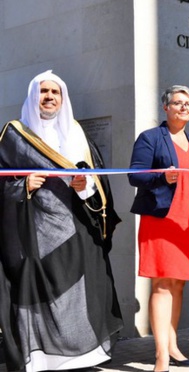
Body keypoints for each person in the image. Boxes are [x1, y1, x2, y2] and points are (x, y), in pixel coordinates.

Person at [0, 70, 123, 371]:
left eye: (56, 92)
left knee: (81, 294)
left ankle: (81, 358)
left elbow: (98, 185)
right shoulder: (13, 136)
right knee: (38, 295)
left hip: (77, 230)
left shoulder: (78, 136)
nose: (50, 97)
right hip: (33, 234)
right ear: (33, 96)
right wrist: (23, 186)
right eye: (44, 91)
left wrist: (86, 188)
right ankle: (40, 360)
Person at [128, 85, 189, 372]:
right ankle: (161, 355)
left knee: (178, 284)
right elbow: (135, 174)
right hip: (161, 220)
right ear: (166, 108)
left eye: (188, 103)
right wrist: (161, 177)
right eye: (177, 103)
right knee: (162, 284)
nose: (183, 108)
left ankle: (173, 345)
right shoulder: (151, 138)